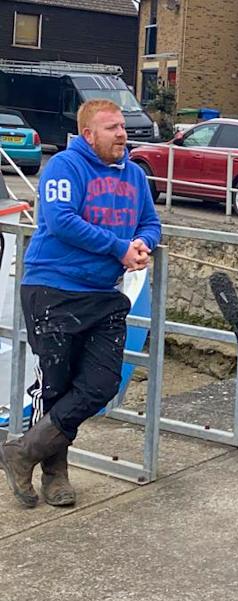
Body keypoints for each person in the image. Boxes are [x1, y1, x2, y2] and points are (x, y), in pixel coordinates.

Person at [0, 99, 161, 509]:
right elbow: (61, 221)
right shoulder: (64, 166)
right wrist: (120, 248)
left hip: (103, 294)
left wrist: (142, 243)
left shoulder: (134, 175)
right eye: (112, 128)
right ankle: (56, 475)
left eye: (122, 126)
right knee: (55, 387)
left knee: (101, 384)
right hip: (53, 289)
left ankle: (23, 452)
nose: (122, 134)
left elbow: (150, 221)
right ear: (88, 134)